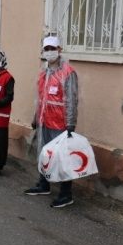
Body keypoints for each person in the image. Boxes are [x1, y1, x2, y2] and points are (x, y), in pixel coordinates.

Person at [25, 36, 79, 208]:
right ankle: (44, 184)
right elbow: (40, 98)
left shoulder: (68, 73)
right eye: (46, 49)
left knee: (62, 158)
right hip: (44, 121)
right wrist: (35, 117)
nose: (49, 52)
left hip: (60, 124)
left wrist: (70, 124)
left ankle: (66, 193)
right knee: (44, 153)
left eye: (52, 48)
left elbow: (71, 100)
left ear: (59, 49)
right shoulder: (43, 72)